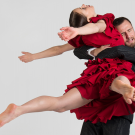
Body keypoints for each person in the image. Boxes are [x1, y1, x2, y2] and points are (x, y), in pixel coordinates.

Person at [0, 4, 135, 130]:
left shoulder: (83, 36)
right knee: (118, 78)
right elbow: (93, 29)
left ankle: (20, 110)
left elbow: (59, 49)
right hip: (112, 70)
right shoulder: (103, 23)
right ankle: (125, 88)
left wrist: (33, 56)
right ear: (88, 19)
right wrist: (33, 56)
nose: (84, 5)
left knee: (60, 104)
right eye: (82, 9)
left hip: (94, 76)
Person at [73, 16, 135, 135]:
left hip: (118, 112)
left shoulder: (122, 49)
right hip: (95, 108)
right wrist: (94, 51)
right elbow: (78, 51)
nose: (128, 37)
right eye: (122, 33)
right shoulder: (109, 46)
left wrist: (103, 52)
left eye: (129, 30)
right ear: (116, 35)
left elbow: (120, 51)